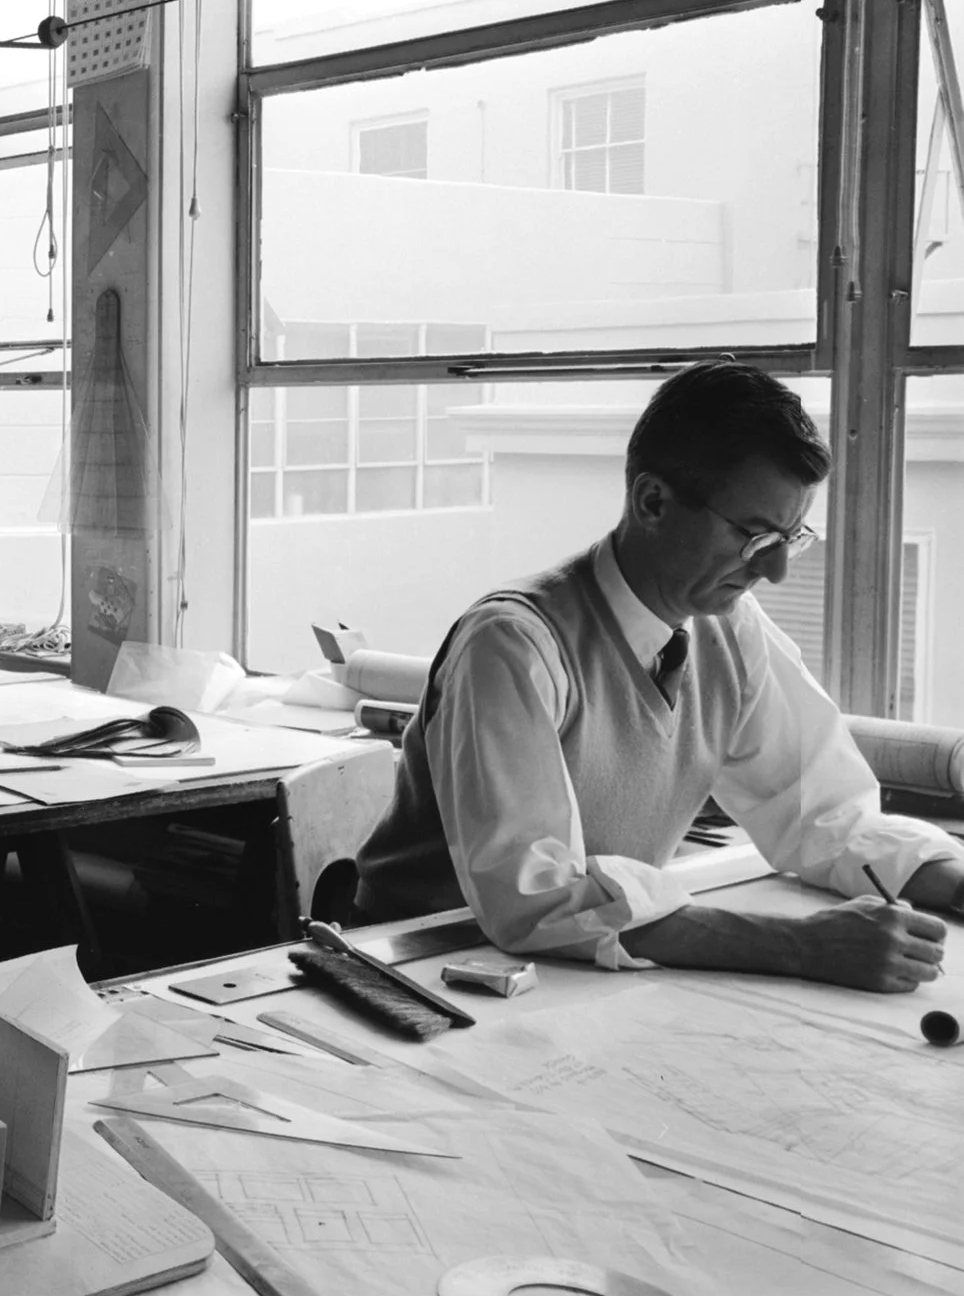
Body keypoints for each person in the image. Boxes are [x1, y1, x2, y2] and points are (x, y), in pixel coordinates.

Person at [353, 360, 963, 992]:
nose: (777, 571)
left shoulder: (730, 630)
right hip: (422, 969)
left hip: (578, 972)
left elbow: (819, 812)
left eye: (792, 536)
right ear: (653, 502)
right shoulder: (512, 645)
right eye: (756, 537)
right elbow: (537, 901)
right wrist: (800, 944)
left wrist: (950, 879)